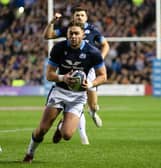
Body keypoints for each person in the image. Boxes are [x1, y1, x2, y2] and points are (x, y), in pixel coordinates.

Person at [23, 21, 107, 163]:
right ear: (67, 35)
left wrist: (91, 83)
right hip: (60, 91)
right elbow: (49, 75)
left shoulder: (93, 52)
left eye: (76, 33)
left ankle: (62, 125)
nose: (73, 36)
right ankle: (30, 152)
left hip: (78, 96)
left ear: (82, 35)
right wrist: (63, 78)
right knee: (42, 129)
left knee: (67, 135)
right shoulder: (58, 48)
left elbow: (103, 76)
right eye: (70, 33)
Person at [43, 5, 109, 145]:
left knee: (92, 103)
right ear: (73, 17)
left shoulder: (92, 31)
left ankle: (89, 113)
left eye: (82, 15)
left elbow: (105, 45)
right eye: (77, 15)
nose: (79, 17)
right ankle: (83, 136)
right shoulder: (69, 30)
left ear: (86, 17)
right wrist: (52, 22)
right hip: (71, 69)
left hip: (89, 69)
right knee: (80, 100)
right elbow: (48, 36)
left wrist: (100, 60)